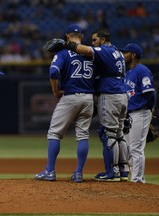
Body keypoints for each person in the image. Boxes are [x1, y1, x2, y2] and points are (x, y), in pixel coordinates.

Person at [62, 28, 129, 181]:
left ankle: (112, 173)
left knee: (109, 134)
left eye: (95, 40)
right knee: (119, 134)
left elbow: (84, 50)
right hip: (122, 94)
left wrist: (66, 44)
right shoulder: (117, 52)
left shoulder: (104, 50)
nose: (92, 43)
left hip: (110, 94)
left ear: (103, 40)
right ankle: (123, 170)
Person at [34, 24, 95, 183]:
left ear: (67, 36)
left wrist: (55, 91)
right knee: (83, 135)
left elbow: (53, 72)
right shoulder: (91, 52)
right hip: (89, 98)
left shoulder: (63, 52)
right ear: (81, 37)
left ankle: (50, 171)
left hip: (70, 96)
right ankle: (78, 173)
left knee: (54, 133)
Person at [120, 43, 155, 183]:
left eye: (126, 53)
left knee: (136, 148)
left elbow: (150, 93)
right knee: (128, 148)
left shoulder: (143, 71)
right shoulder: (128, 73)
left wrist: (149, 110)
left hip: (141, 112)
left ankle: (138, 180)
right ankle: (135, 178)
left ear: (133, 55)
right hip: (129, 114)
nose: (123, 55)